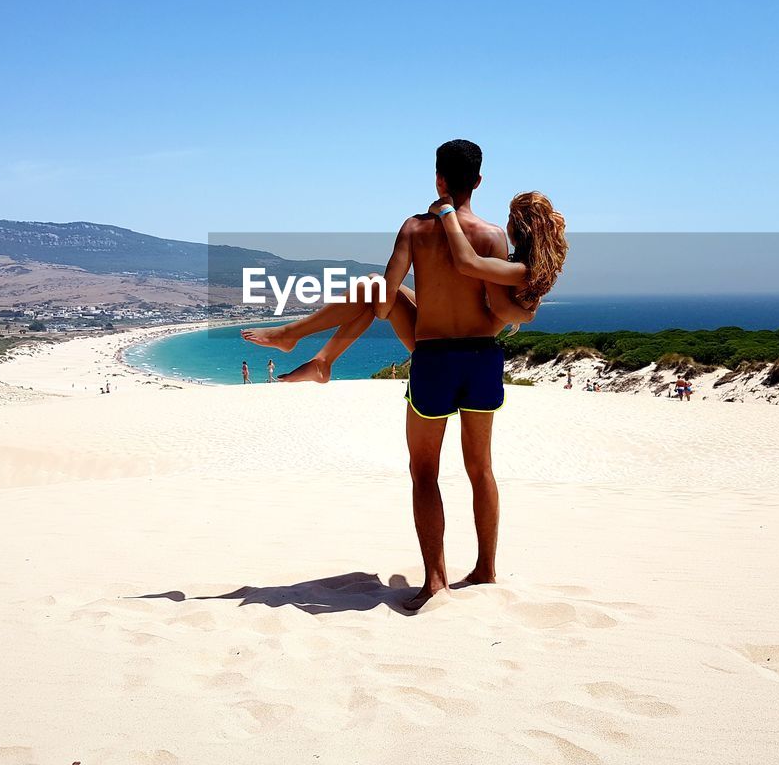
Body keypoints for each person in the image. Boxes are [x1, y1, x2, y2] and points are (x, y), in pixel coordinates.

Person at [242, 140, 568, 609]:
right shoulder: (496, 237)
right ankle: (485, 569)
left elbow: (386, 298)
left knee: (424, 473)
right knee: (481, 469)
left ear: (438, 179)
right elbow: (498, 307)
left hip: (434, 357)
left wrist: (379, 298)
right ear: (478, 181)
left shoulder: (415, 229)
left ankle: (436, 580)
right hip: (480, 359)